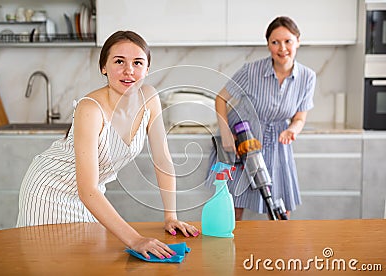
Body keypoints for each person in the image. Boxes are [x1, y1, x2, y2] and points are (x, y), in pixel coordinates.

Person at [17, 30, 200, 260]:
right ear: (104, 67)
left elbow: (162, 160)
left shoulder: (150, 98)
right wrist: (135, 239)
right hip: (50, 191)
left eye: (137, 63)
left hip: (92, 197)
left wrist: (170, 216)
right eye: (119, 61)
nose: (129, 71)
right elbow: (87, 189)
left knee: (90, 263)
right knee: (53, 264)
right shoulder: (90, 109)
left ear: (147, 69)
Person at [209, 16, 316, 220]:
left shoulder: (307, 77)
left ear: (298, 41)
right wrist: (225, 134)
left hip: (277, 142)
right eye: (275, 42)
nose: (282, 48)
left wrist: (293, 129)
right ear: (268, 45)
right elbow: (221, 98)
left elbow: (300, 117)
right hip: (243, 138)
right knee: (234, 203)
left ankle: (280, 250)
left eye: (287, 41)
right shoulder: (251, 71)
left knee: (279, 206)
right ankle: (231, 249)